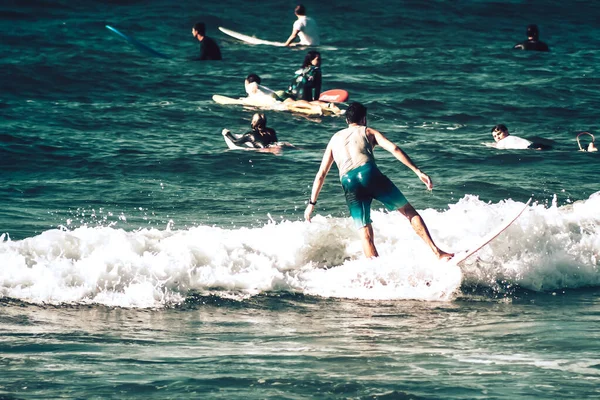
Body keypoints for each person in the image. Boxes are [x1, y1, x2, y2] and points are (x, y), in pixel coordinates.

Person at [304, 102, 453, 260]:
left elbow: (321, 174)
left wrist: (311, 204)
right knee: (409, 212)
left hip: (348, 182)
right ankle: (438, 253)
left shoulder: (334, 139)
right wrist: (418, 171)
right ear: (364, 119)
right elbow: (394, 149)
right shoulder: (367, 131)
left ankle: (376, 275)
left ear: (347, 120)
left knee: (365, 232)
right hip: (368, 173)